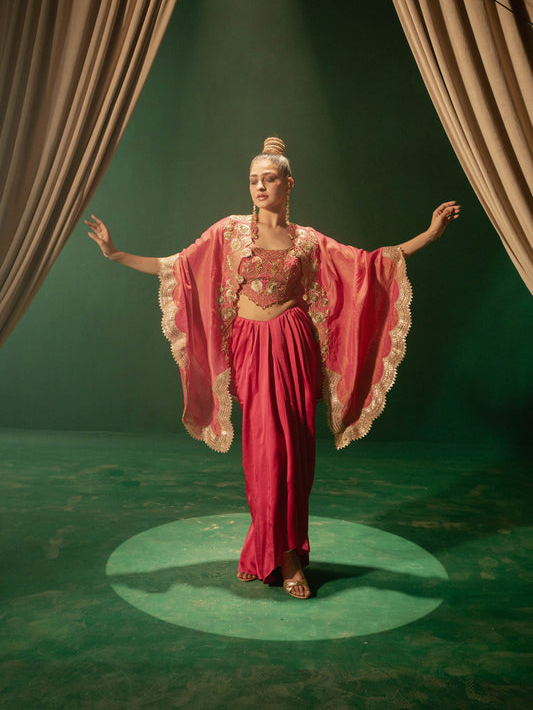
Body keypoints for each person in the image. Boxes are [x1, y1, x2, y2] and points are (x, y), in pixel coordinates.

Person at [86, 137, 460, 600]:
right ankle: (274, 553)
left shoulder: (309, 241)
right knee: (264, 452)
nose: (260, 187)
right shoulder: (228, 232)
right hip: (251, 348)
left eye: (268, 179)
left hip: (293, 346)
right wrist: (116, 254)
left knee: (293, 452)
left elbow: (366, 266)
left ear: (288, 184)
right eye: (253, 180)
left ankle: (279, 552)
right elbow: (179, 268)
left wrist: (429, 235)